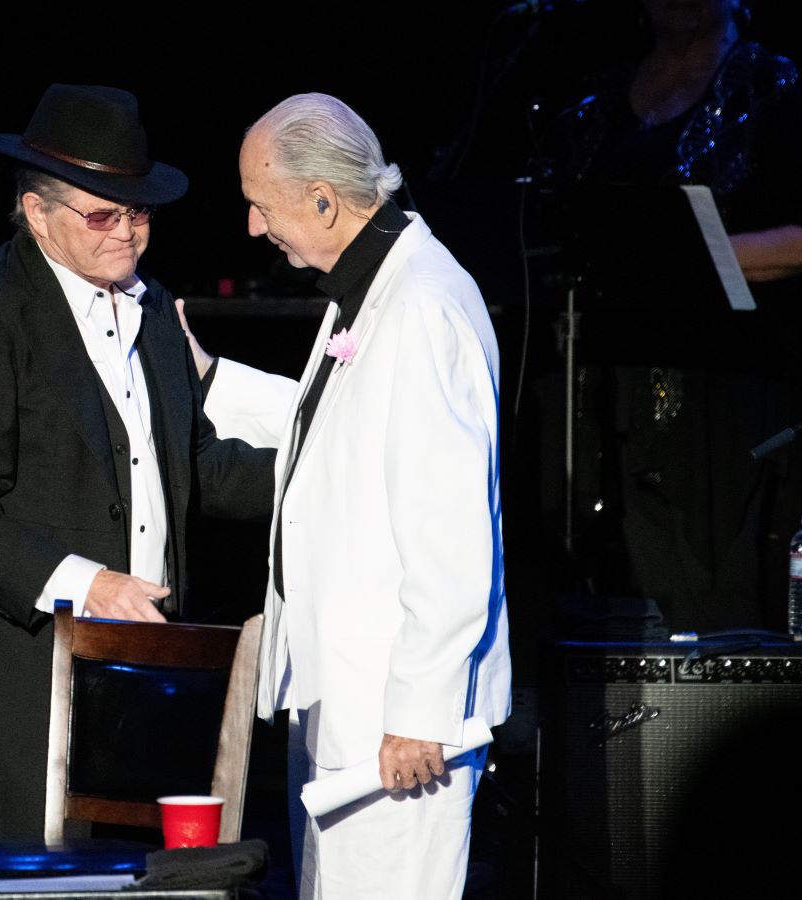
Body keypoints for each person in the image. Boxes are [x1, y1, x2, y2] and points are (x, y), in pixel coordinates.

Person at [0, 84, 274, 869]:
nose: (127, 233)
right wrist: (88, 584)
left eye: (140, 214)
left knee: (132, 875)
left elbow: (189, 462)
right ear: (36, 213)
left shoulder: (153, 309)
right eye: (103, 215)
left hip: (135, 684)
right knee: (21, 876)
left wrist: (319, 474)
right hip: (17, 681)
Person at [186, 93, 511, 899]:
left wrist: (422, 711)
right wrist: (212, 380)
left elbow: (451, 532)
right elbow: (335, 422)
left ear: (324, 202)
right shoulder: (371, 289)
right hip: (349, 706)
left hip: (396, 730)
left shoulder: (423, 308)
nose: (255, 228)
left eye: (262, 207)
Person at [541, 0, 802, 632]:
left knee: (713, 584)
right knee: (611, 582)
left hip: (732, 385)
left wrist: (696, 256)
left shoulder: (772, 85)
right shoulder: (600, 98)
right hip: (611, 379)